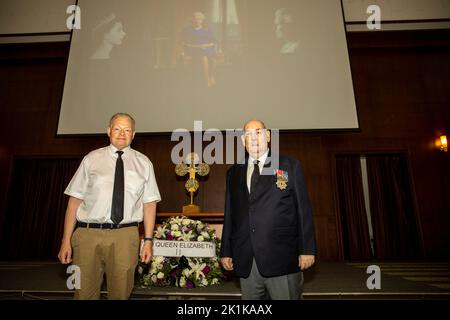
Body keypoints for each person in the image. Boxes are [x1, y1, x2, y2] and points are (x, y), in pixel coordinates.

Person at [57, 113, 161, 299]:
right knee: (83, 293)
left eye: (127, 130)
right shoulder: (91, 159)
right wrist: (66, 241)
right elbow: (74, 202)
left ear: (134, 134)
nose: (122, 133)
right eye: (117, 128)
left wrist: (148, 241)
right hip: (87, 235)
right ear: (108, 131)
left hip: (125, 236)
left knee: (121, 294)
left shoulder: (144, 163)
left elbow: (149, 204)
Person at [220, 119, 316, 300]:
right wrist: (226, 251)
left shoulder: (288, 165)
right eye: (248, 134)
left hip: (281, 256)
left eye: (258, 132)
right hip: (246, 258)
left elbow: (303, 210)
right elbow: (230, 215)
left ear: (268, 136)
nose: (254, 138)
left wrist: (307, 249)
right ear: (243, 141)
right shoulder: (233, 173)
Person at [180, 12, 217, 87]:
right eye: (195, 19)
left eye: (199, 19)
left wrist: (207, 45)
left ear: (202, 20)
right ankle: (206, 81)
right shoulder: (187, 30)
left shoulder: (207, 29)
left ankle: (211, 76)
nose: (197, 21)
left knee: (213, 60)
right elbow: (183, 42)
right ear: (192, 20)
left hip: (207, 48)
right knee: (204, 59)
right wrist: (186, 50)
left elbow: (213, 41)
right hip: (194, 49)